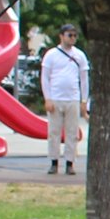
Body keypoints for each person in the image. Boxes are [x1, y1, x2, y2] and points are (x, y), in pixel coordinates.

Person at [41, 24, 87, 175]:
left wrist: (84, 100)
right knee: (54, 132)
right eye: (69, 35)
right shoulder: (52, 54)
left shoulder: (79, 55)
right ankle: (54, 161)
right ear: (61, 36)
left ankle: (70, 162)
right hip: (56, 98)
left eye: (75, 35)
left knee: (72, 132)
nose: (72, 38)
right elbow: (45, 77)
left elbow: (84, 79)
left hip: (72, 98)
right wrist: (47, 98)